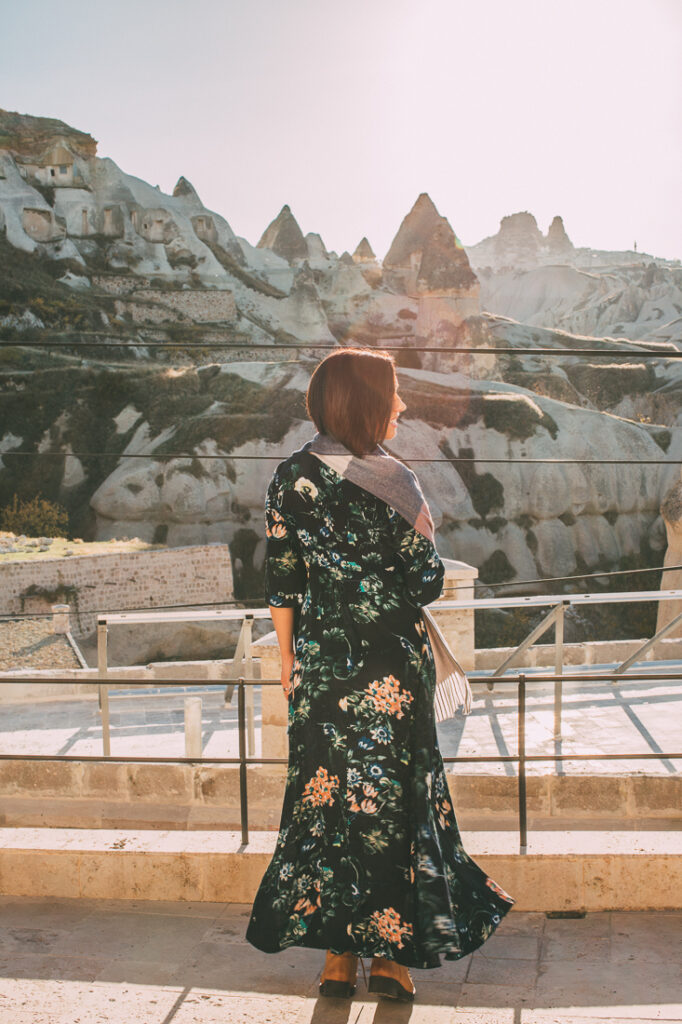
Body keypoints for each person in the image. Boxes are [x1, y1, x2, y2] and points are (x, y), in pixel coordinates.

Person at [245, 348, 514, 1002]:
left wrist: (289, 662)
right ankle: (391, 960)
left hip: (322, 664)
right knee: (392, 804)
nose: (401, 406)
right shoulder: (396, 481)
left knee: (327, 803)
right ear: (366, 402)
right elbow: (425, 581)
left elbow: (282, 583)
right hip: (391, 662)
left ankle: (337, 959)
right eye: (393, 396)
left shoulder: (290, 478)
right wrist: (420, 529)